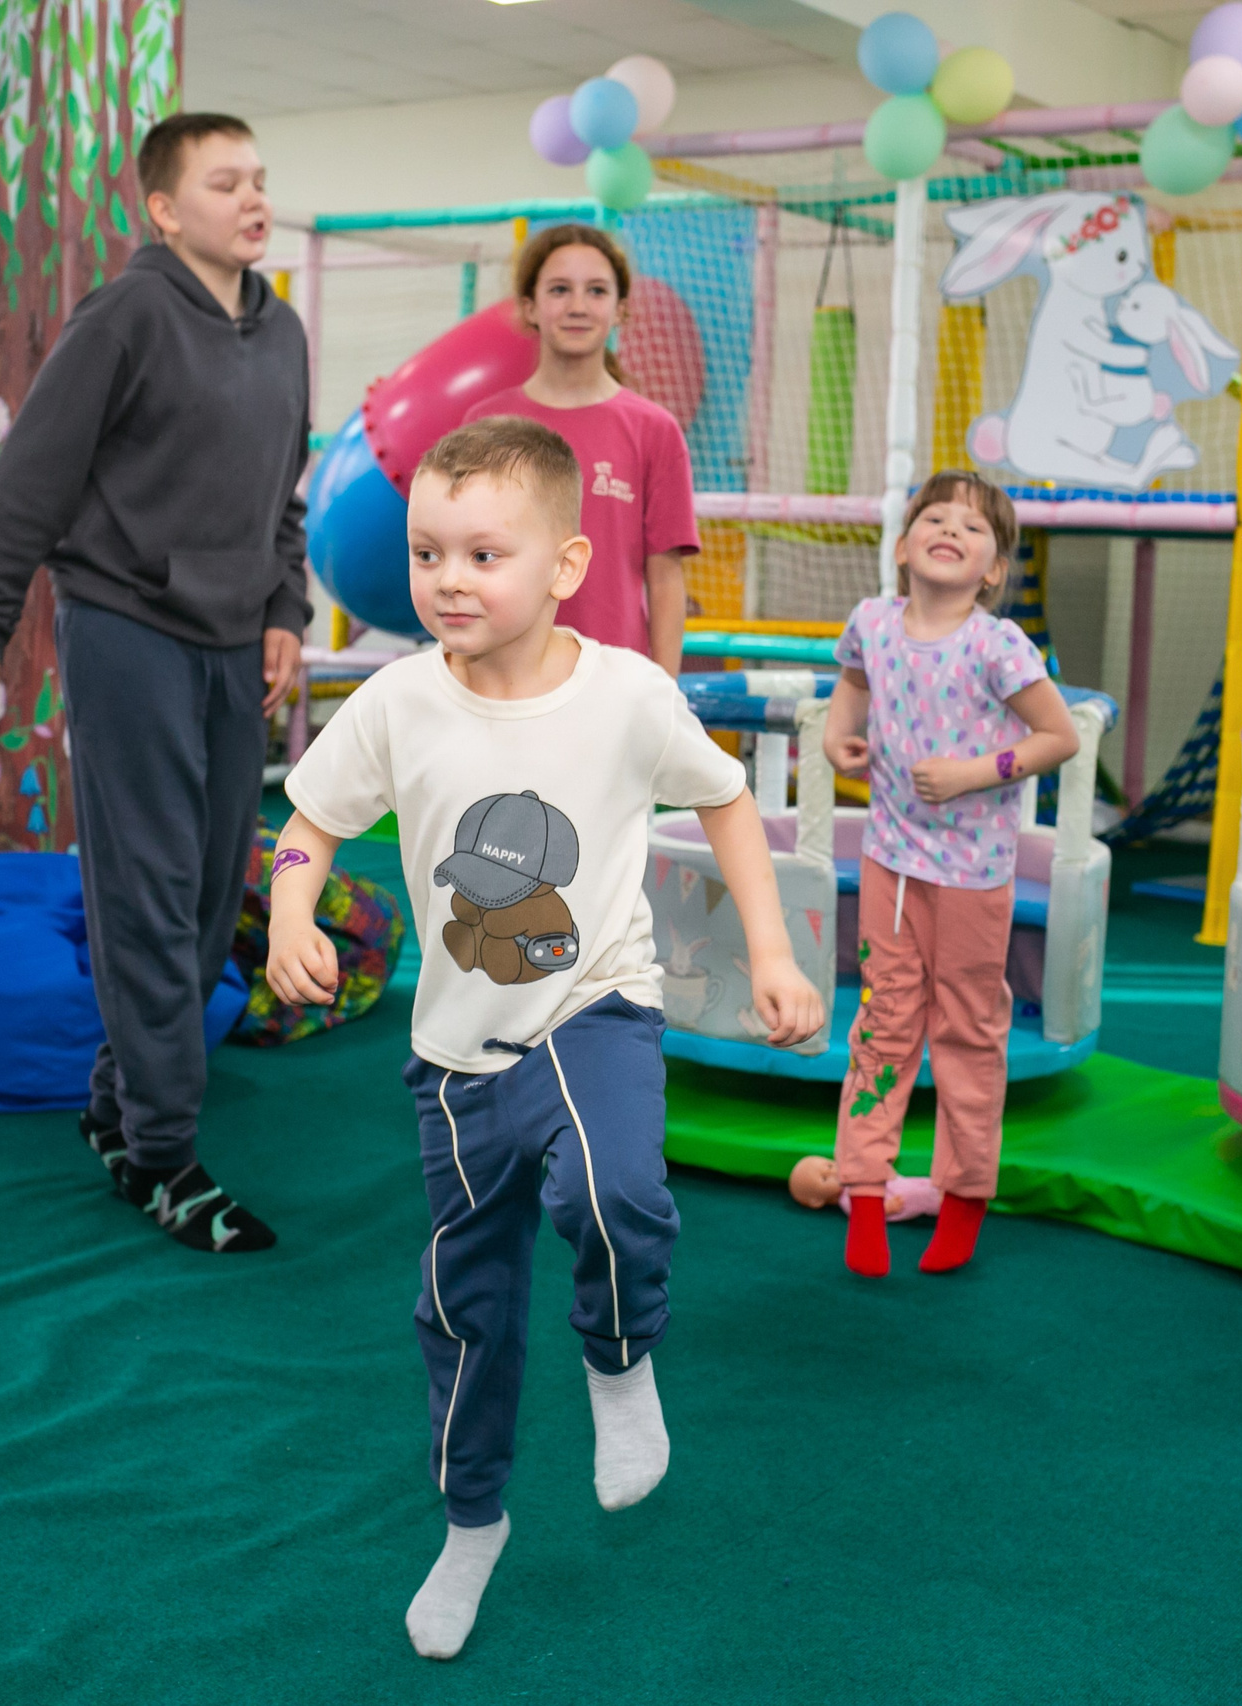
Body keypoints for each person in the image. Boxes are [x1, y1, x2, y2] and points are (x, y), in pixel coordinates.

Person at [266, 417, 824, 1661]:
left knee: (615, 1189)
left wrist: (773, 949)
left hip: (596, 1006)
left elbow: (727, 797)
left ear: (567, 564)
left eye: (482, 554)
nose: (448, 580)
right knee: (464, 1306)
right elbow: (306, 817)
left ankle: (620, 1362)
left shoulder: (625, 690)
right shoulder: (398, 700)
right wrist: (290, 908)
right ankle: (472, 1521)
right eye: (426, 554)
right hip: (456, 1058)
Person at [0, 112, 308, 1254]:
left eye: (257, 178)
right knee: (146, 890)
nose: (252, 197)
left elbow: (279, 496)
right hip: (127, 629)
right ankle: (161, 1154)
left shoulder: (284, 329)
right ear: (162, 208)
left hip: (232, 640)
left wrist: (285, 610)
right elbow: (33, 480)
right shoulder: (127, 316)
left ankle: (118, 1098)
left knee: (207, 889)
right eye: (222, 181)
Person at [821, 470, 1077, 1278]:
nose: (951, 532)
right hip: (891, 865)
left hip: (972, 875)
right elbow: (853, 682)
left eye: (973, 530)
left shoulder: (996, 643)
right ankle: (865, 1189)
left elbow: (1057, 736)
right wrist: (838, 737)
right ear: (902, 548)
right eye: (935, 519)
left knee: (967, 1031)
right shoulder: (872, 622)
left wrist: (976, 771)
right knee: (883, 1024)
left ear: (993, 570)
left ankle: (964, 1194)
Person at [463, 223, 700, 674]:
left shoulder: (655, 430)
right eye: (559, 289)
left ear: (621, 309)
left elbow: (666, 579)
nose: (577, 306)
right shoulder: (485, 426)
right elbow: (465, 562)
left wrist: (663, 696)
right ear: (530, 307)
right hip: (503, 677)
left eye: (595, 291)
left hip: (612, 682)